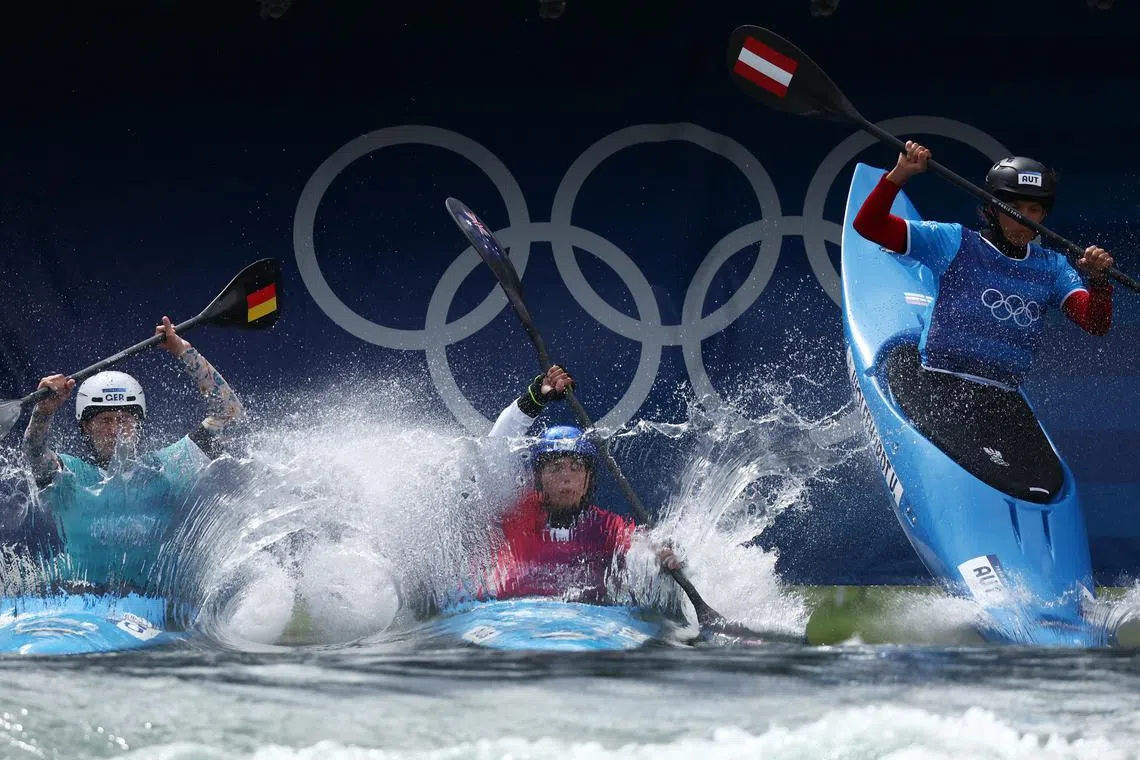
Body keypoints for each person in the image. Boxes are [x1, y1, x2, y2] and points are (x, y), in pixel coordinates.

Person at [851, 143, 1115, 500]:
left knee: (1041, 488)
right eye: (1014, 208)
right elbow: (869, 225)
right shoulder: (954, 241)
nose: (1023, 218)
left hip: (1001, 399)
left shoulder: (1053, 267)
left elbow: (1095, 322)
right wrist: (901, 174)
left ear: (1044, 215)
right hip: (939, 384)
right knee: (982, 470)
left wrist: (1099, 282)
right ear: (992, 208)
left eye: (1033, 209)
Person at [20, 316, 244, 593]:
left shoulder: (168, 467)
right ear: (85, 427)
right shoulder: (67, 475)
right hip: (75, 597)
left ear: (139, 424)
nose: (116, 430)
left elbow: (229, 416)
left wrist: (183, 350)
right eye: (105, 421)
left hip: (152, 602)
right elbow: (33, 451)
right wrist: (43, 412)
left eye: (125, 419)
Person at [485, 365, 680, 604]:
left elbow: (638, 550)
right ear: (539, 477)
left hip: (584, 630)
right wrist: (534, 398)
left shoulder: (607, 527)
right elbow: (493, 454)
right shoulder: (514, 512)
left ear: (588, 479)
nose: (566, 476)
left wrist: (658, 556)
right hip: (511, 623)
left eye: (576, 468)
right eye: (556, 467)